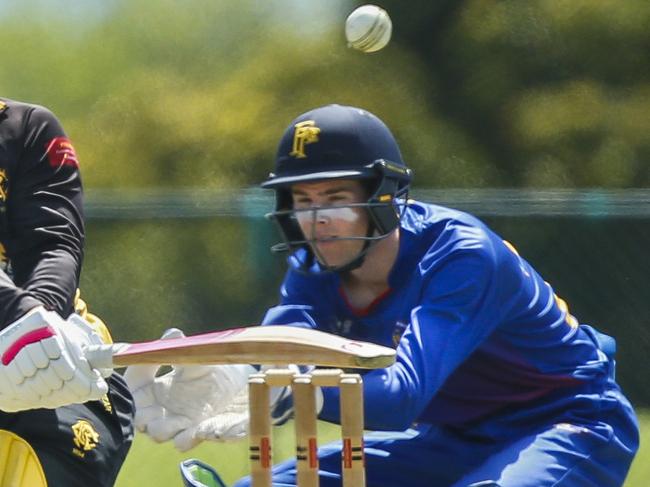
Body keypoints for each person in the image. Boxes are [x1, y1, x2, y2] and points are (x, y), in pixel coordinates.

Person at [127, 104, 639, 487]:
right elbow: (283, 344)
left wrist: (289, 391)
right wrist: (231, 376)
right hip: (450, 437)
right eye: (303, 200)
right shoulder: (313, 263)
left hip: (569, 422)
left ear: (384, 198)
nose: (317, 218)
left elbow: (400, 397)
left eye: (335, 198)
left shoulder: (462, 256)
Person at [0, 97, 134, 486]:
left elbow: (53, 246)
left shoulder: (26, 128)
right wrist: (17, 317)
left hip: (46, 363)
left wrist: (35, 330)